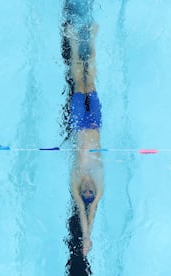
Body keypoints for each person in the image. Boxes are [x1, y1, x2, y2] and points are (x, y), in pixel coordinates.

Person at [65, 22, 104, 257]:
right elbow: (93, 207)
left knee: (79, 81)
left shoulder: (76, 176)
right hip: (96, 124)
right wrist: (89, 236)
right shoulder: (99, 178)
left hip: (79, 124)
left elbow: (83, 210)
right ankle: (90, 37)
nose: (89, 191)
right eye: (92, 193)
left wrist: (85, 235)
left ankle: (72, 41)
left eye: (86, 193)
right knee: (91, 80)